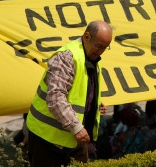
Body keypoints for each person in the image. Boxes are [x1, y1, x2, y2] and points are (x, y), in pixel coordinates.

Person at [26, 20, 112, 166]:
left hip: (74, 138)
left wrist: (93, 103)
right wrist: (77, 128)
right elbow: (55, 98)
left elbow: (81, 88)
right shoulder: (66, 57)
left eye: (105, 47)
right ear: (86, 36)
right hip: (48, 139)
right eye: (99, 46)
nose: (101, 51)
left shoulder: (93, 58)